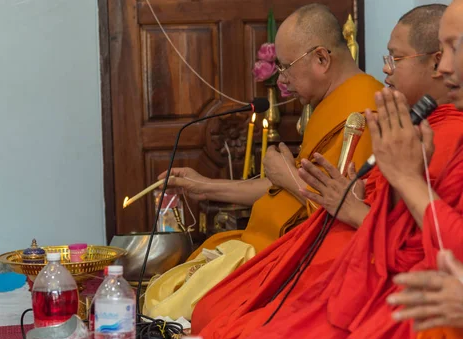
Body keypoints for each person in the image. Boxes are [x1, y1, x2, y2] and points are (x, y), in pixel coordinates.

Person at [191, 4, 463, 339]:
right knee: (230, 332)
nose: (444, 68)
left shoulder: (442, 132)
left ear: (322, 58)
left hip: (399, 287)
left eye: (454, 50)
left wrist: (355, 204)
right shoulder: (415, 124)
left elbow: (423, 244)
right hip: (363, 263)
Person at [159, 4, 381, 255]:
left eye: (286, 67)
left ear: (322, 59)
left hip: (296, 256)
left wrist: (287, 174)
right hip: (266, 242)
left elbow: (338, 212)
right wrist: (205, 186)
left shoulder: (365, 111)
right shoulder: (331, 103)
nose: (282, 80)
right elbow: (289, 187)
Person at [323, 1, 463, 339]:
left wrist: (403, 180)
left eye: (454, 48)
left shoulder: (449, 131)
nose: (445, 67)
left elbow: (446, 251)